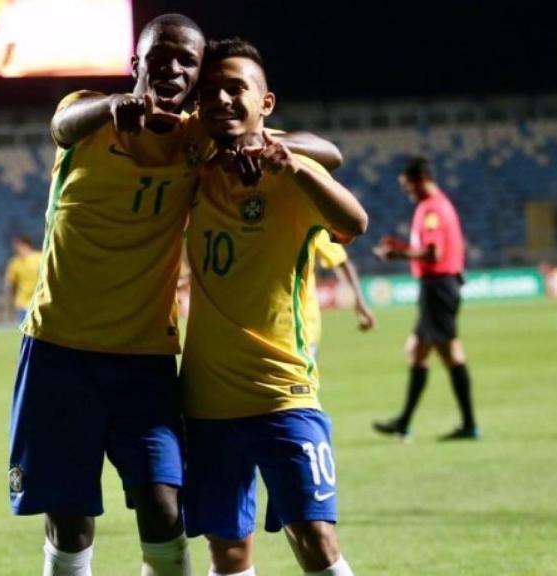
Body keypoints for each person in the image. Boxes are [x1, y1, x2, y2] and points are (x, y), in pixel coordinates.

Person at [7, 14, 343, 576]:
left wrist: (266, 146)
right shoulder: (88, 113)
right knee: (69, 520)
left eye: (188, 61)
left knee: (165, 509)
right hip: (59, 349)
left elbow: (326, 150)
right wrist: (112, 107)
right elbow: (62, 124)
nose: (173, 68)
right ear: (136, 64)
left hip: (145, 357)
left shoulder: (197, 138)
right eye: (160, 56)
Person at [181, 38, 367, 576]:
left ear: (265, 102)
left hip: (283, 394)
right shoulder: (189, 172)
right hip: (207, 402)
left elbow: (354, 224)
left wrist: (297, 167)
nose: (221, 99)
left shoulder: (293, 174)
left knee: (316, 539)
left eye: (235, 87)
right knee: (228, 552)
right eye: (209, 91)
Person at [371, 157, 479, 441]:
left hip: (438, 287)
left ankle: (467, 425)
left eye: (408, 186)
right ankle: (405, 422)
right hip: (438, 287)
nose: (406, 191)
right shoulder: (435, 205)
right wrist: (402, 247)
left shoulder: (432, 209)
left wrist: (397, 254)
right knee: (417, 351)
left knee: (449, 353)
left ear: (421, 180)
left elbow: (433, 253)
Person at [304, 233, 375, 359]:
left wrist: (360, 304)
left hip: (302, 331)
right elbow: (342, 263)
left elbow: (341, 262)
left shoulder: (309, 229)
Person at [4, 235, 41, 325]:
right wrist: (10, 306)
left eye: (17, 246)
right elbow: (11, 285)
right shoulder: (14, 263)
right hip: (22, 304)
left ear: (25, 245)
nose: (15, 249)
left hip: (39, 302)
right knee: (27, 331)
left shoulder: (39, 258)